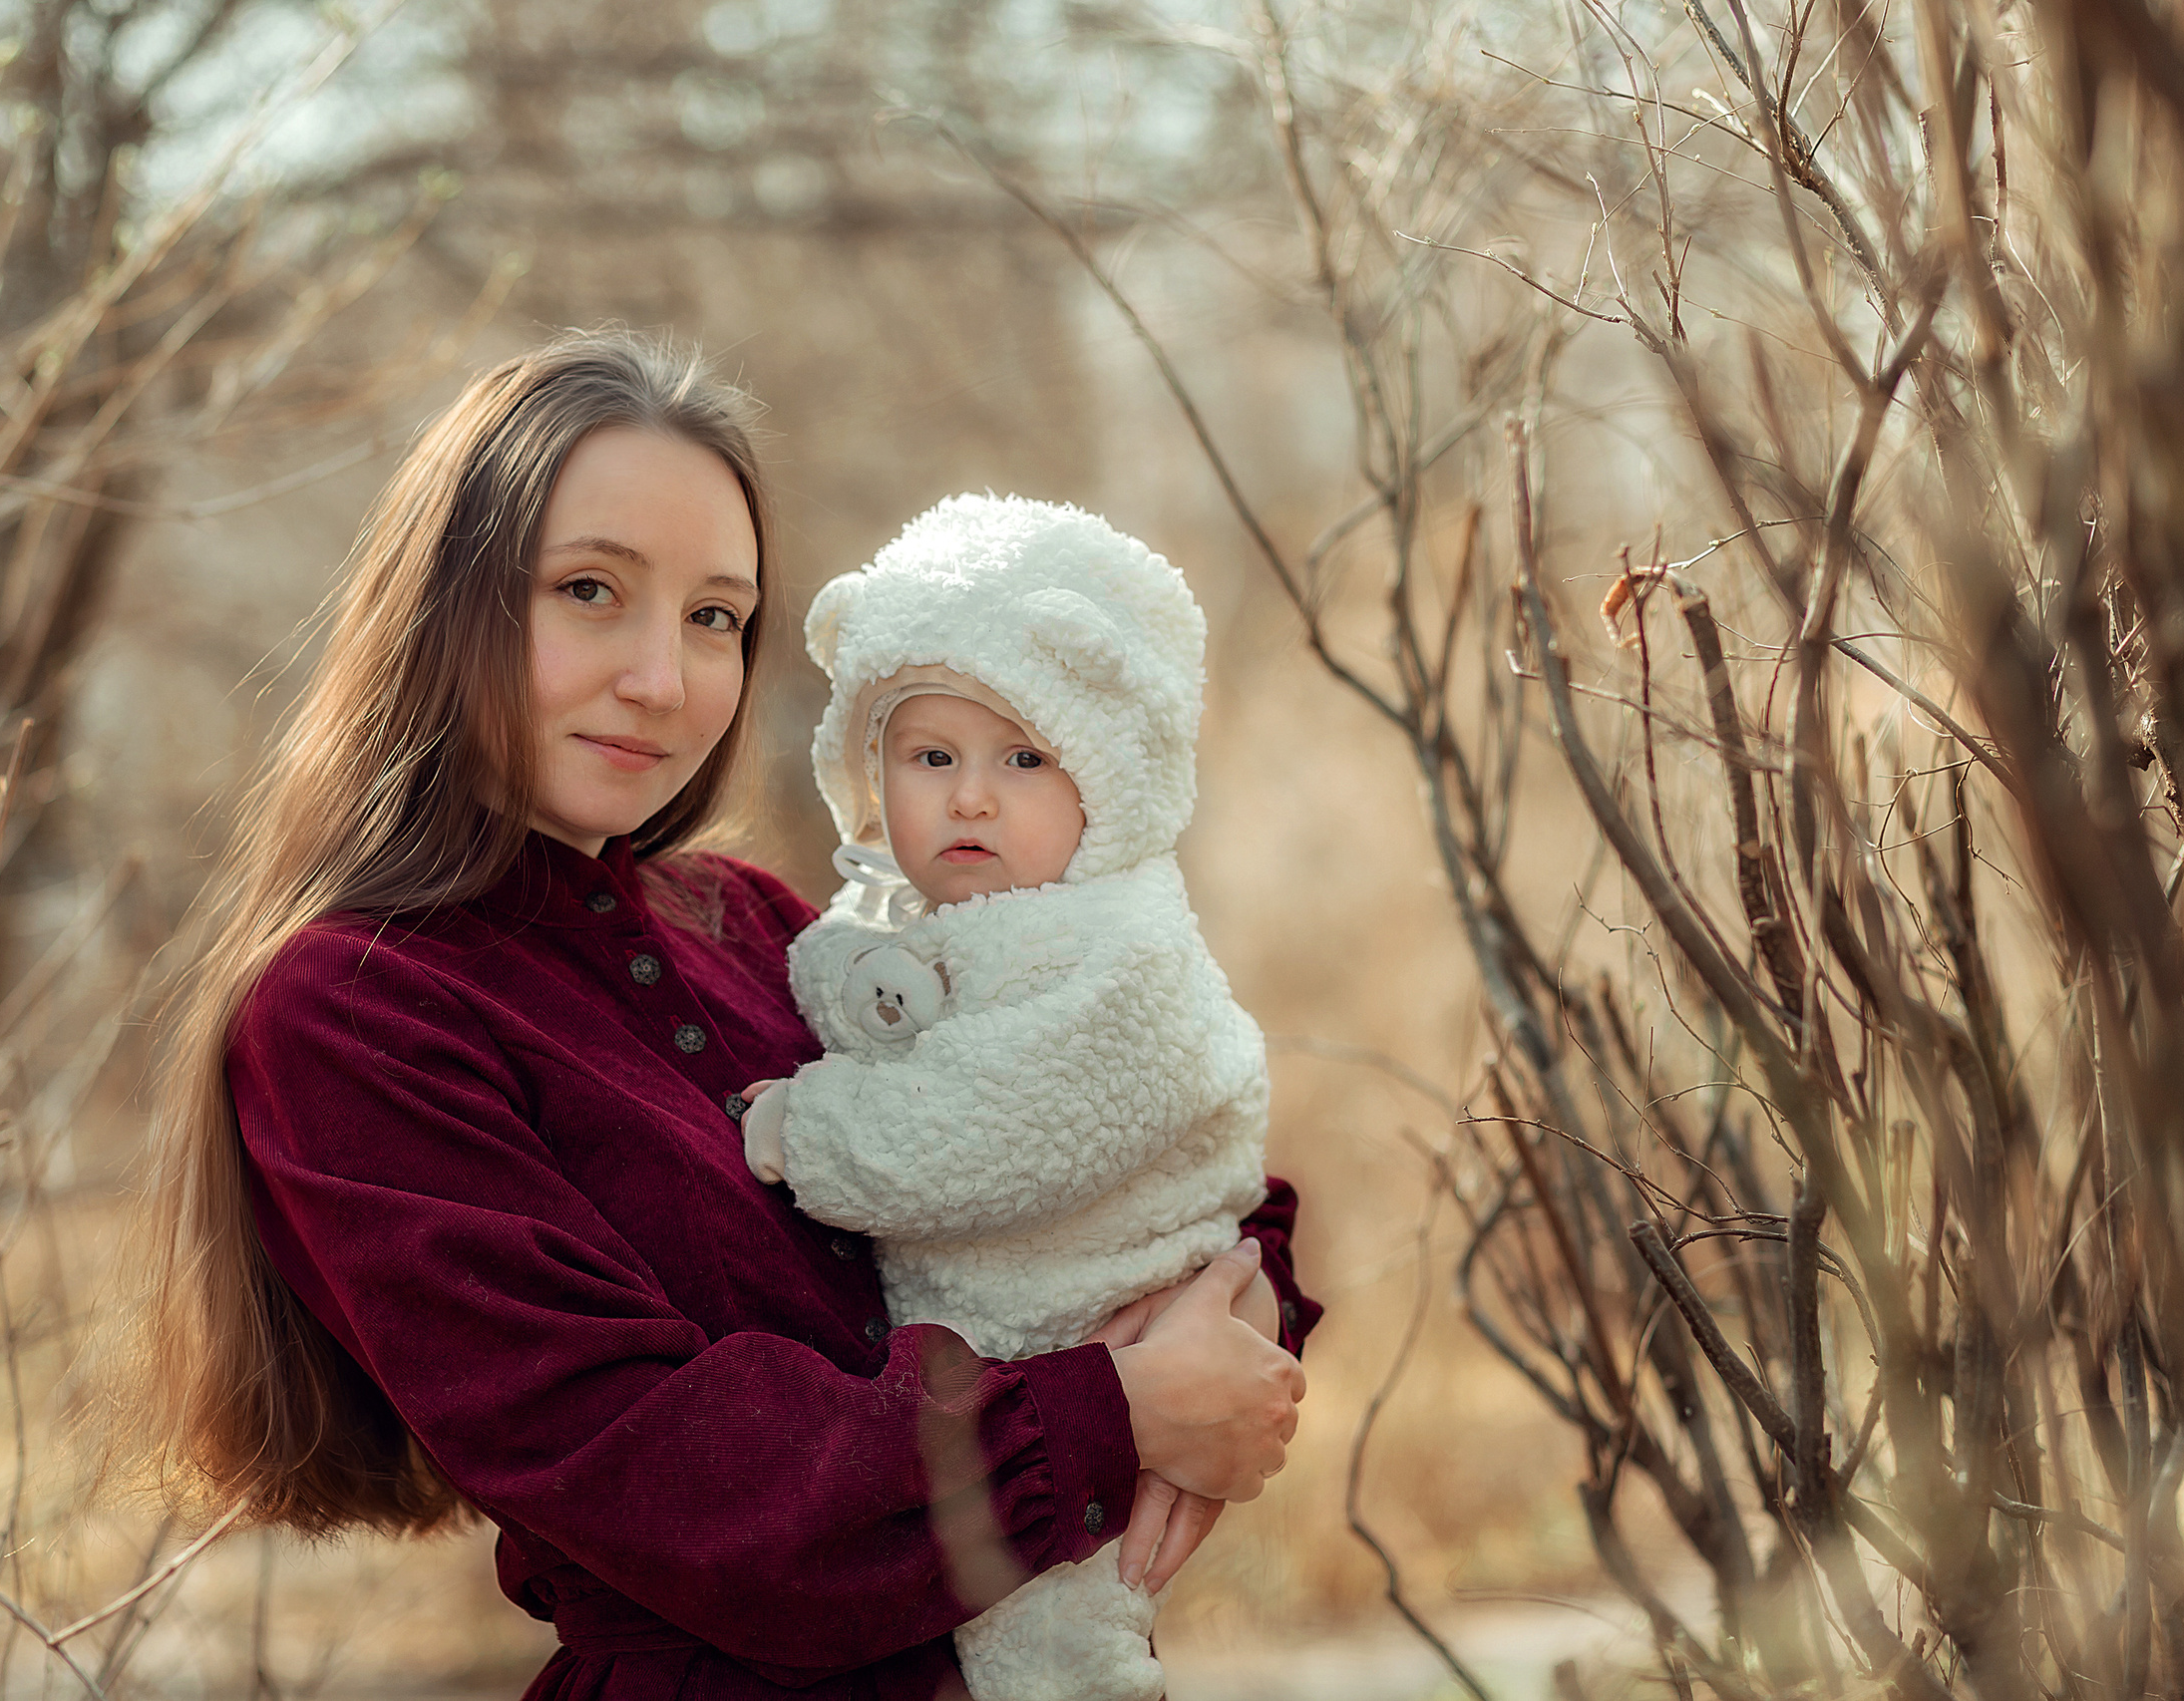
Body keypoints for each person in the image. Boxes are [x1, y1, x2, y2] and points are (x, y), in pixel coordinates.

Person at [125, 328, 1317, 1701]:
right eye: (590, 590)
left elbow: (1106, 1138)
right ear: (445, 609)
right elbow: (686, 1482)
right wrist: (1127, 1414)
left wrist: (1241, 1320)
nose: (664, 679)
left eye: (713, 617)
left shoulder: (751, 923)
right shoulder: (354, 1012)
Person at [736, 495, 1271, 1701]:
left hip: (1087, 1316)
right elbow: (865, 992)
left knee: (1058, 1638)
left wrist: (806, 1128)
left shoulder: (1116, 947)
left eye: (1023, 757)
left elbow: (986, 1130)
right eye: (931, 756)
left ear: (1109, 777)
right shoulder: (912, 919)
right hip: (1013, 1385)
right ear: (868, 772)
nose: (970, 797)